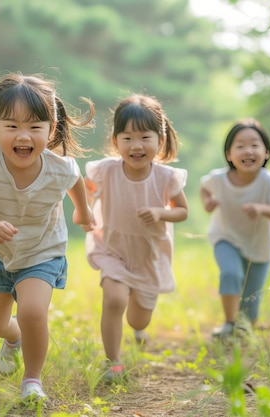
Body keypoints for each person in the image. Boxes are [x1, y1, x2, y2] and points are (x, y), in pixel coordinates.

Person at [0, 73, 94, 401]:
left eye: (35, 127)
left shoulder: (59, 167)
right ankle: (13, 339)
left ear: (51, 130)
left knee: (32, 312)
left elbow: (75, 181)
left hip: (42, 251)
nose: (23, 136)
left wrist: (82, 211)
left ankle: (32, 380)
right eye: (11, 126)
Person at [82, 93, 188, 383]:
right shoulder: (105, 170)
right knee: (114, 299)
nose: (136, 145)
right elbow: (87, 190)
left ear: (160, 141)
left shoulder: (166, 178)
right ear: (116, 142)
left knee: (137, 319)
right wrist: (87, 211)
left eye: (144, 137)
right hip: (113, 248)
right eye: (127, 138)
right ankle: (114, 363)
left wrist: (160, 212)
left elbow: (182, 211)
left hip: (148, 255)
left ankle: (139, 329)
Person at [200, 118, 270, 339]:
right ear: (229, 154)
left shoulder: (269, 182)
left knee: (250, 308)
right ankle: (229, 324)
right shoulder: (219, 179)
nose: (248, 150)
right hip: (226, 237)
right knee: (231, 273)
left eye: (254, 145)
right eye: (240, 146)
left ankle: (242, 327)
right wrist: (208, 203)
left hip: (258, 248)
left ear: (267, 152)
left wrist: (261, 208)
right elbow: (204, 187)